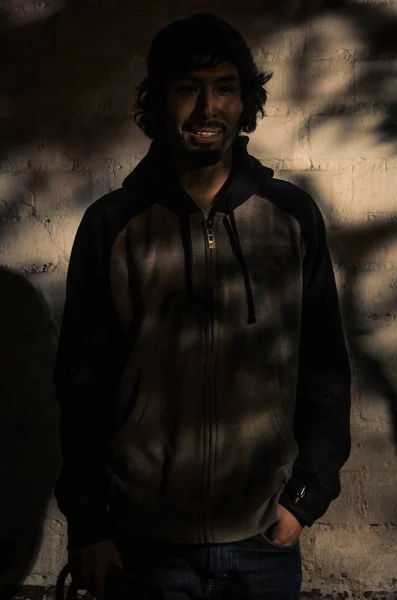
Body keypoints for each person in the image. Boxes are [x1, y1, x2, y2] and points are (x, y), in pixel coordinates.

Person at [54, 12, 351, 600]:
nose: (206, 109)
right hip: (144, 544)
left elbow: (325, 371)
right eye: (188, 89)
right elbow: (80, 388)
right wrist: (89, 525)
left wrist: (303, 499)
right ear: (159, 102)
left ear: (245, 103)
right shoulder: (112, 225)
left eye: (224, 88)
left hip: (263, 540)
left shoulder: (291, 217)